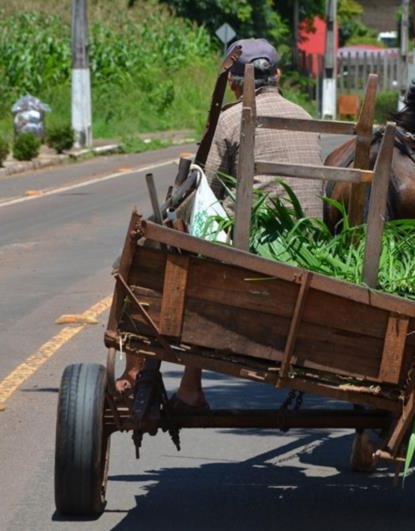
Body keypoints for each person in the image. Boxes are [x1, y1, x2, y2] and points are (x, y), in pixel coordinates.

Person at [116, 39, 323, 413]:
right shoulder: (306, 117)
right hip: (312, 256)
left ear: (233, 84)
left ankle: (139, 376)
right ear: (277, 76)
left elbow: (200, 191)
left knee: (149, 262)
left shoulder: (231, 119)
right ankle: (190, 388)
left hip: (251, 254)